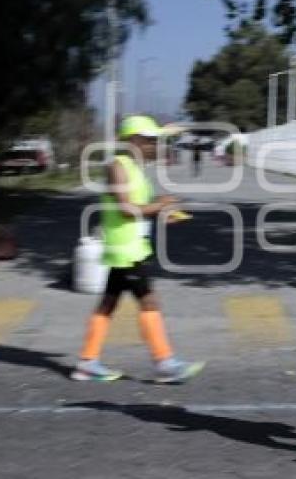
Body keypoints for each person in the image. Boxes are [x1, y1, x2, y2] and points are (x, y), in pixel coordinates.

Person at [71, 115, 205, 383]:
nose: (154, 145)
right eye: (150, 141)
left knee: (108, 302)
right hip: (125, 248)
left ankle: (87, 361)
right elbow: (126, 208)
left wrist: (164, 210)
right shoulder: (117, 166)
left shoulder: (132, 167)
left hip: (132, 245)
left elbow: (139, 206)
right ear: (133, 140)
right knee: (148, 300)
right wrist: (160, 205)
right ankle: (164, 362)